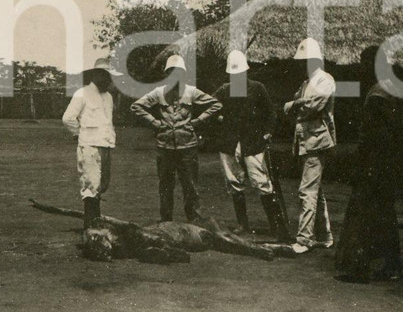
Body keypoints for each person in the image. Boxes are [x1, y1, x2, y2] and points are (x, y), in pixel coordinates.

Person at [335, 46, 403, 282]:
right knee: (384, 216)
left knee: (365, 216)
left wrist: (363, 164)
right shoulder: (390, 89)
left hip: (376, 166)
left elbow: (378, 137)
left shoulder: (379, 94)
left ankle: (361, 267)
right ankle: (390, 265)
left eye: (365, 64)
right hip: (386, 166)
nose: (361, 68)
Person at [131, 54, 222, 222]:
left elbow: (216, 104)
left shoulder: (191, 91)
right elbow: (136, 106)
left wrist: (198, 121)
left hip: (187, 146)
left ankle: (194, 221)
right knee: (165, 186)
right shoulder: (159, 93)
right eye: (171, 72)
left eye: (178, 72)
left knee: (190, 186)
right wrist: (155, 122)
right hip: (165, 147)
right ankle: (166, 222)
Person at [212, 50, 289, 241]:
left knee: (261, 181)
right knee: (233, 182)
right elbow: (208, 106)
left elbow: (270, 113)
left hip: (253, 143)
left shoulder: (257, 88)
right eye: (234, 74)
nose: (237, 77)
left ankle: (276, 226)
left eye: (240, 74)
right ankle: (242, 224)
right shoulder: (224, 90)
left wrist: (267, 133)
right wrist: (218, 118)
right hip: (230, 143)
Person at [284, 38, 336, 254]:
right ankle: (324, 236)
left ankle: (304, 239)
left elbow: (313, 106)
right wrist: (296, 104)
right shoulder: (307, 83)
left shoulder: (325, 80)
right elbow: (289, 107)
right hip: (306, 140)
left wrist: (296, 105)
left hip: (316, 141)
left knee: (307, 190)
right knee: (315, 190)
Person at [62, 57, 122, 229]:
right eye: (105, 75)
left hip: (106, 145)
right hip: (89, 146)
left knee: (102, 185)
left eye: (110, 76)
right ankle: (91, 227)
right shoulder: (82, 93)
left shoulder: (109, 97)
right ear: (96, 75)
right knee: (91, 185)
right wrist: (77, 134)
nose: (108, 80)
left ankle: (96, 223)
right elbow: (68, 118)